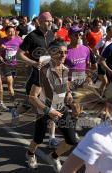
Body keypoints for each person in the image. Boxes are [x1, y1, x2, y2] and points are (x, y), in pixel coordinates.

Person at [26, 39, 77, 172]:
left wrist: (69, 94)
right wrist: (49, 110)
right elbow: (32, 97)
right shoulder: (43, 71)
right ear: (51, 53)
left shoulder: (65, 69)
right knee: (38, 139)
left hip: (60, 108)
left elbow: (65, 86)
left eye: (65, 53)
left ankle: (54, 156)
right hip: (44, 110)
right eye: (59, 52)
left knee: (71, 140)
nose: (63, 56)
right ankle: (30, 154)